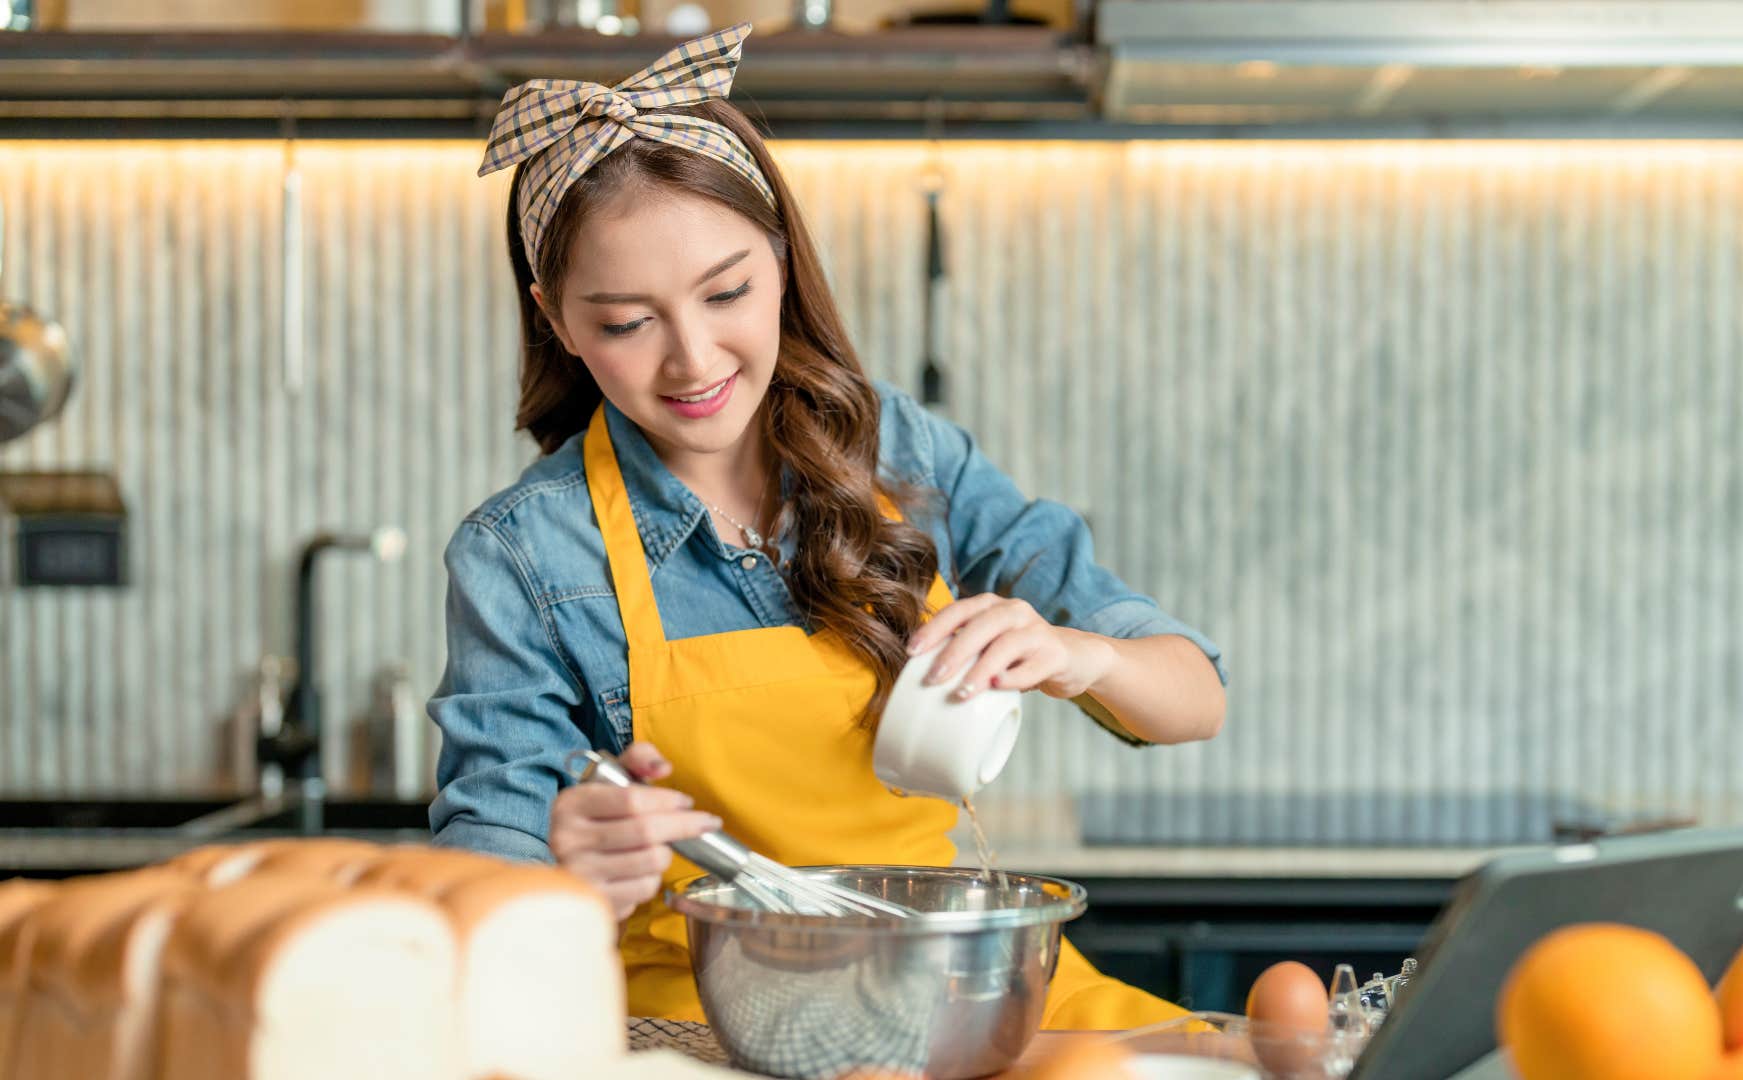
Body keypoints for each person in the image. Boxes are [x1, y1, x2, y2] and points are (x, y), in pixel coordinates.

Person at [429, 23, 1228, 1029]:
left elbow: (1196, 698)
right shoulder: (525, 553)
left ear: (781, 259)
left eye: (728, 293)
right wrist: (566, 865)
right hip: (698, 1024)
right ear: (556, 319)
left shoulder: (904, 451)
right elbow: (476, 904)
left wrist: (1080, 656)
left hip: (957, 997)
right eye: (626, 323)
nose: (692, 360)